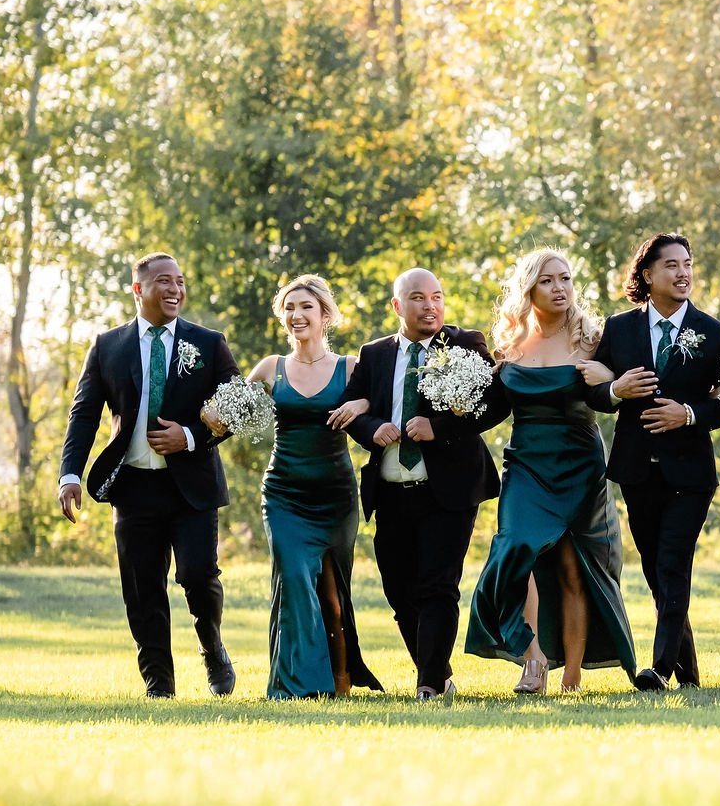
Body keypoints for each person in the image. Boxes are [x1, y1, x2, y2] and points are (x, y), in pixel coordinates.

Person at [58, 252, 239, 698]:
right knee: (142, 592)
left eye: (180, 281)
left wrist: (192, 436)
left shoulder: (209, 343)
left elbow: (239, 407)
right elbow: (84, 414)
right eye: (164, 282)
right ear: (138, 290)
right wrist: (70, 475)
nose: (175, 289)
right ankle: (159, 685)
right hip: (134, 487)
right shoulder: (107, 346)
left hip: (192, 487)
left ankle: (212, 647)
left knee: (198, 576)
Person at [463, 249, 638, 693]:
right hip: (526, 464)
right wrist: (455, 412)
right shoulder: (508, 345)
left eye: (565, 279)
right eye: (548, 281)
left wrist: (611, 384)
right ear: (529, 289)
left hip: (580, 463)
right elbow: (493, 412)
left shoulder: (592, 338)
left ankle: (573, 676)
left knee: (572, 568)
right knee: (516, 549)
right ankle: (534, 658)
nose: (560, 288)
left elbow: (605, 399)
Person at [207, 275, 382, 699]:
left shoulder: (351, 369)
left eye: (306, 307)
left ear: (325, 315)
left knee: (333, 592)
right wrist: (212, 412)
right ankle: (294, 685)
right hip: (284, 493)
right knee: (293, 579)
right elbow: (222, 417)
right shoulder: (271, 367)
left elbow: (382, 403)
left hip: (336, 495)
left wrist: (361, 402)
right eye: (289, 308)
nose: (296, 315)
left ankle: (340, 680)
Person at [331, 268, 501, 701]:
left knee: (437, 586)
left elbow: (495, 405)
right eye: (419, 298)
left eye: (437, 297)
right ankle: (440, 675)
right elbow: (349, 408)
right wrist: (373, 429)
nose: (431, 306)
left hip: (450, 490)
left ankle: (426, 685)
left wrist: (439, 427)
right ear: (397, 306)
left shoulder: (465, 343)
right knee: (399, 590)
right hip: (390, 490)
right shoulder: (374, 353)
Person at [589, 233, 720, 691]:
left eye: (688, 264)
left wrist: (691, 413)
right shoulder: (618, 329)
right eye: (672, 265)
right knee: (660, 572)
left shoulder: (715, 333)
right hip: (637, 470)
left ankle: (657, 668)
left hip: (690, 472)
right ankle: (689, 674)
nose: (683, 273)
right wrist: (617, 391)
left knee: (674, 564)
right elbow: (594, 390)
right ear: (648, 275)